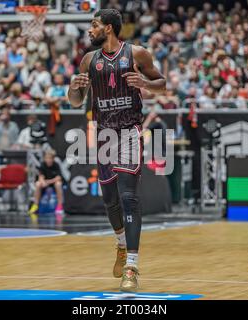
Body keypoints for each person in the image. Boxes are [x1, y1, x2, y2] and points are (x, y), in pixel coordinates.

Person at [67, 9, 166, 292]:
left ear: (108, 28)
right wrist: (74, 87)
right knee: (110, 200)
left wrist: (146, 85)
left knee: (128, 197)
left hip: (130, 131)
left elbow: (163, 83)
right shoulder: (89, 60)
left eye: (94, 25)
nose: (90, 30)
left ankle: (132, 267)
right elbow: (75, 101)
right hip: (104, 135)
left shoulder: (137, 54)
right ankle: (121, 245)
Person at [28, 149, 64, 217]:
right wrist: (43, 182)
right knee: (38, 184)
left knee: (58, 184)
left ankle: (59, 206)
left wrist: (48, 182)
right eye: (47, 158)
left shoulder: (56, 165)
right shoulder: (42, 165)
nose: (48, 160)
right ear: (44, 158)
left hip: (53, 183)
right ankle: (35, 205)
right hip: (44, 183)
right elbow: (41, 176)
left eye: (50, 158)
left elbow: (58, 177)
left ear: (53, 159)